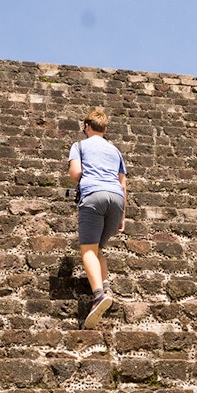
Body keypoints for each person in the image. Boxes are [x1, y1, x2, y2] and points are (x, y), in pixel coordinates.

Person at [67, 108, 127, 328]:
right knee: (98, 247)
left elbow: (75, 173)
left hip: (94, 196)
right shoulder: (115, 150)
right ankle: (107, 287)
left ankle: (99, 295)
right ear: (105, 129)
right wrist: (122, 216)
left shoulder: (80, 146)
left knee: (88, 250)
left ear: (87, 127)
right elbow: (123, 184)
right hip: (116, 200)